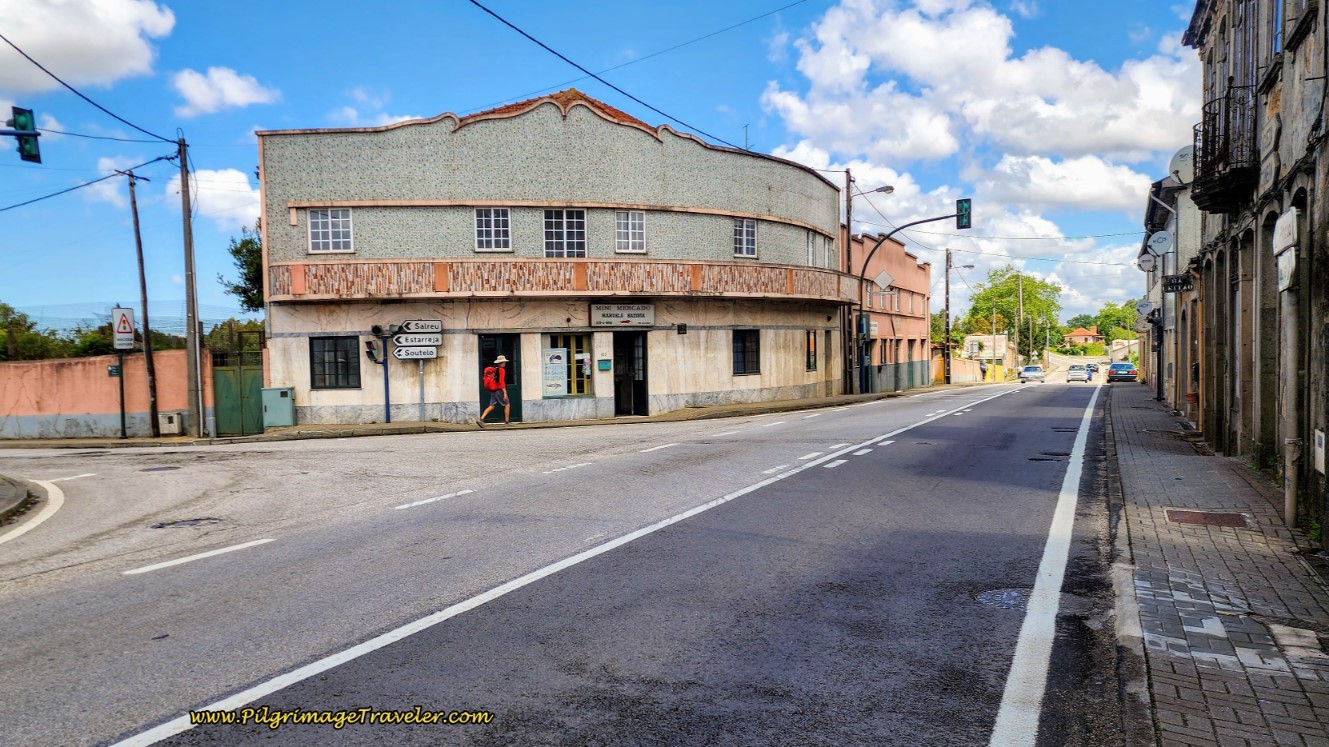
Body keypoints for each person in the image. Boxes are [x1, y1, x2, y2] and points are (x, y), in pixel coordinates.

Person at [476, 355, 511, 427]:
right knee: (507, 404)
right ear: (502, 363)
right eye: (504, 362)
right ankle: (507, 423)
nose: (505, 363)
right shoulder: (501, 370)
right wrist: (504, 392)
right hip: (498, 390)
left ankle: (481, 419)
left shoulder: (494, 369)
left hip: (492, 390)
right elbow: (501, 382)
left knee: (492, 406)